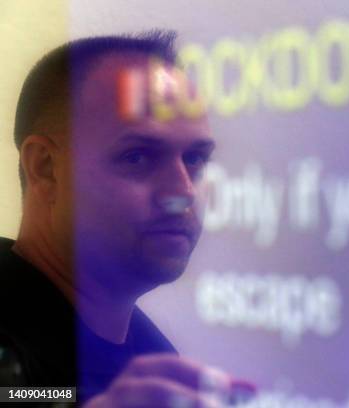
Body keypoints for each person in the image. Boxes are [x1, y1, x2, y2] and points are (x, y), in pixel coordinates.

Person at [0, 31, 254, 407]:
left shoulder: (150, 352)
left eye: (195, 160)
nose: (182, 192)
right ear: (46, 168)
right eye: (138, 157)